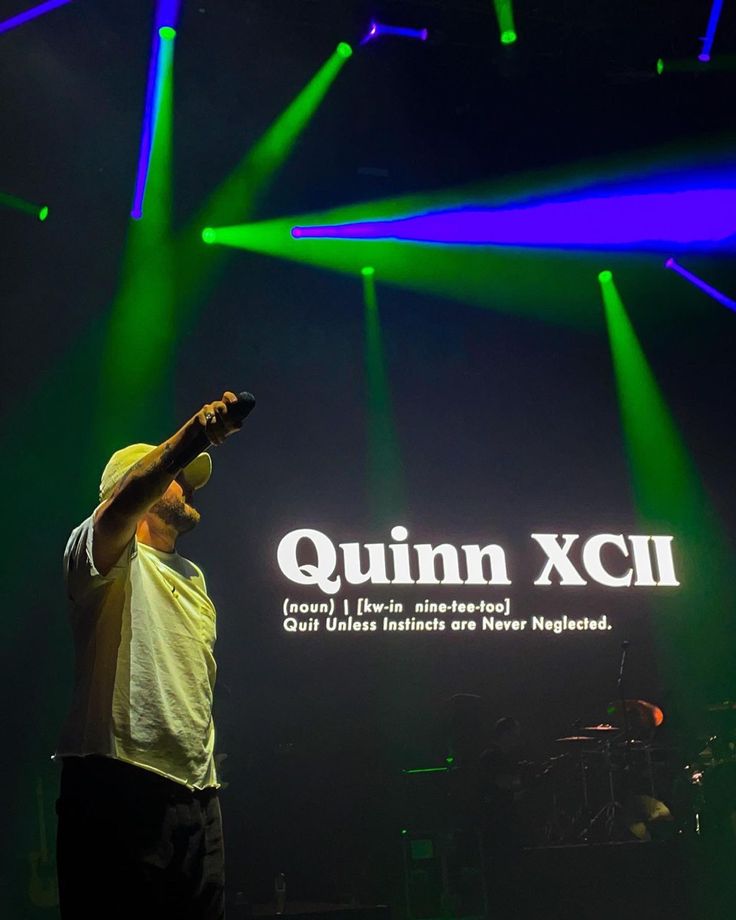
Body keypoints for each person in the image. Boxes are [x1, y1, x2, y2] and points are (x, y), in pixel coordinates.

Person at [54, 391, 245, 920]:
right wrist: (195, 436)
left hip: (197, 794)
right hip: (119, 784)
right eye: (176, 474)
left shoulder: (193, 577)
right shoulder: (98, 556)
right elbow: (126, 499)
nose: (185, 484)